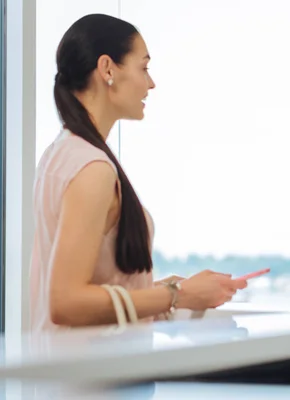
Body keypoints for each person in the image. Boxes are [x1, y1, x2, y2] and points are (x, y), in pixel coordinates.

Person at [30, 14, 247, 332]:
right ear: (107, 69)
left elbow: (88, 286)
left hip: (72, 374)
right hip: (99, 378)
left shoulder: (60, 155)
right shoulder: (92, 168)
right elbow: (66, 302)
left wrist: (163, 291)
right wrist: (176, 294)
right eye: (143, 67)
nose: (151, 82)